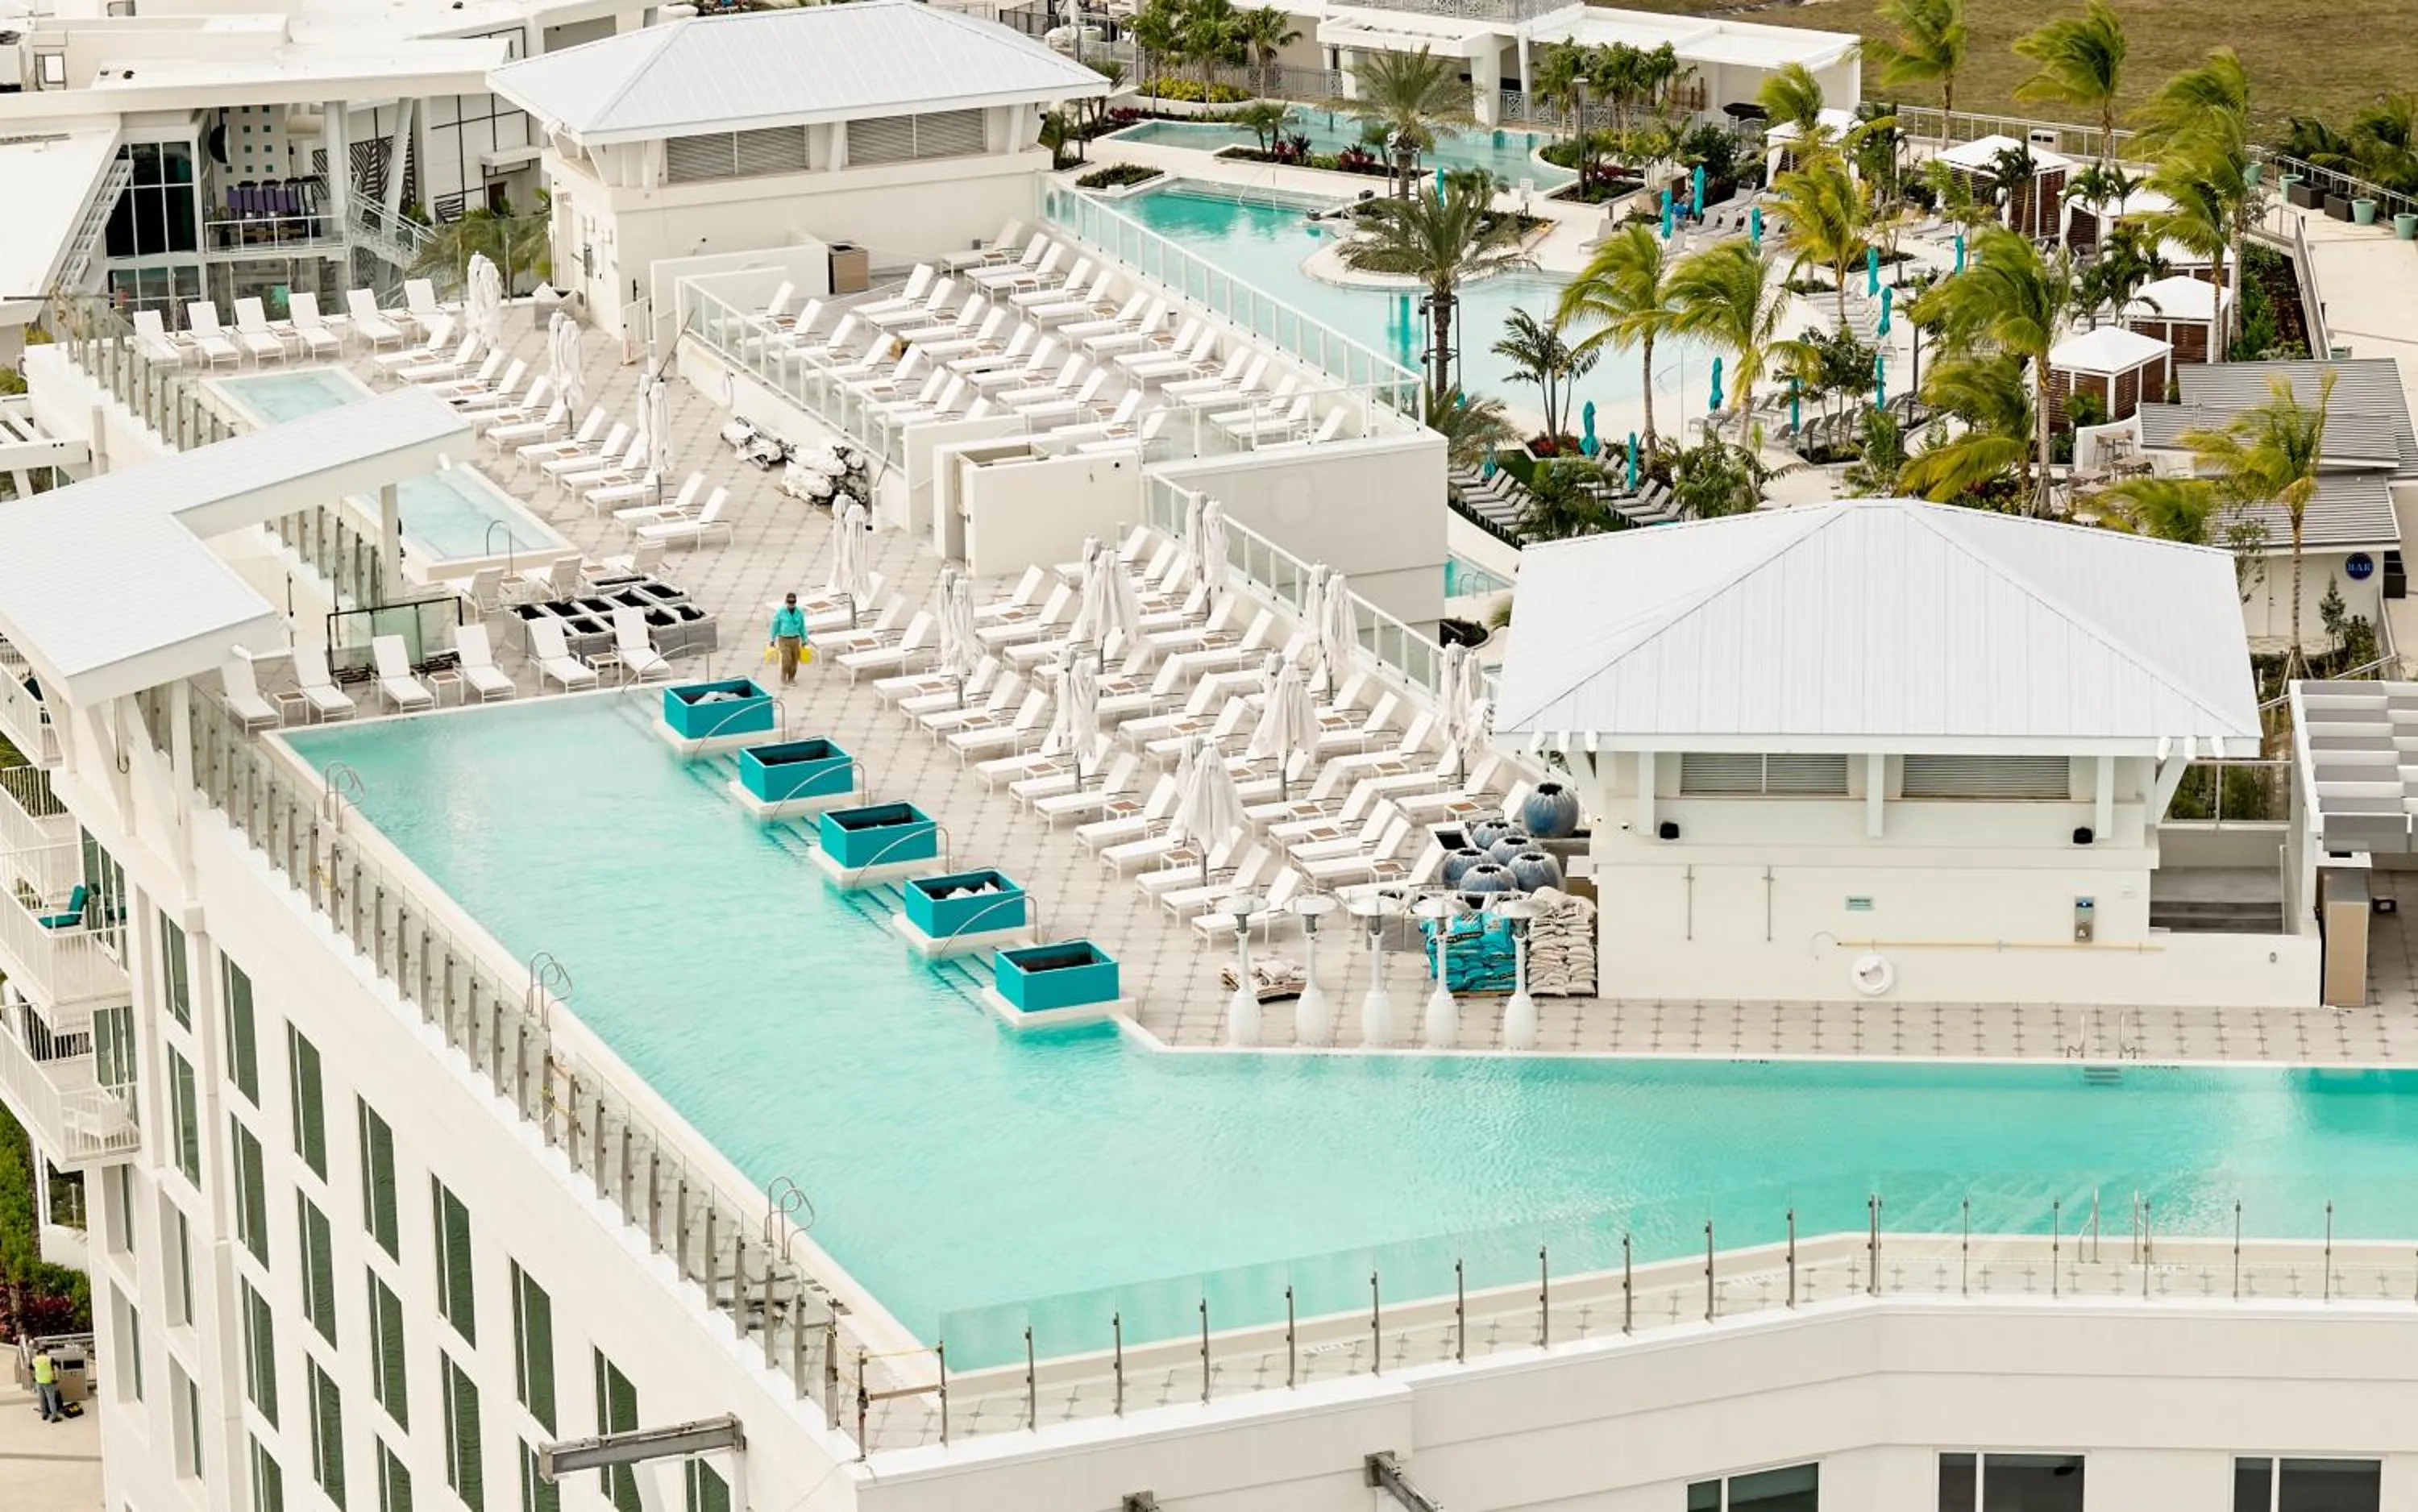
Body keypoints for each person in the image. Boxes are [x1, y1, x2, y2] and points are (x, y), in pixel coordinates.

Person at [768, 593, 807, 687]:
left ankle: (791, 678)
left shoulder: (799, 612)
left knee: (794, 660)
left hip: (795, 639)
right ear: (786, 602)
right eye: (789, 602)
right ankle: (783, 675)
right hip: (784, 639)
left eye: (793, 602)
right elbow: (775, 626)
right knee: (787, 660)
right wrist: (772, 639)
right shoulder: (780, 612)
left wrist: (804, 639)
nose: (791, 604)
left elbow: (802, 627)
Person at [31, 1344, 61, 1423]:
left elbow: (30, 1370)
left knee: (41, 1399)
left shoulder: (34, 1359)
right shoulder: (50, 1359)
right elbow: (56, 1369)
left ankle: (44, 1415)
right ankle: (54, 1417)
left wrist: (34, 1378)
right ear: (45, 1352)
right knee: (51, 1399)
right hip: (48, 1381)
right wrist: (56, 1379)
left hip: (39, 1382)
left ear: (38, 1352)